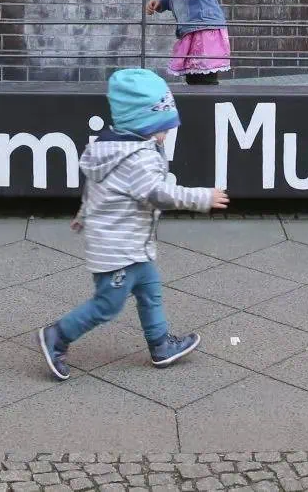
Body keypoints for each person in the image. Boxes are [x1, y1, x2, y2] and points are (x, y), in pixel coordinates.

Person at [38, 68, 228, 379]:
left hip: (130, 243)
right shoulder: (137, 157)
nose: (165, 134)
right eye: (161, 127)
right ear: (140, 123)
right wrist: (201, 198)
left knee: (150, 289)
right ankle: (57, 336)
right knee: (107, 305)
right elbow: (156, 193)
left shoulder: (112, 145)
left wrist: (84, 214)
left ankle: (160, 345)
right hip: (117, 249)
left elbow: (97, 188)